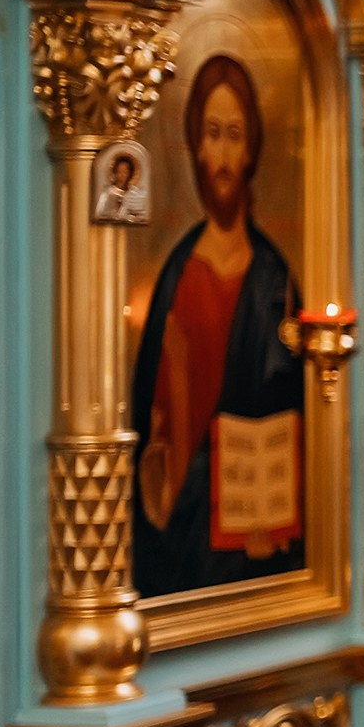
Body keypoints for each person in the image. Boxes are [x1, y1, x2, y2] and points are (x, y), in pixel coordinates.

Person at [131, 54, 305, 597]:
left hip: (259, 531)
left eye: (235, 135)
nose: (224, 156)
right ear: (195, 148)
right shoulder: (177, 277)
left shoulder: (276, 278)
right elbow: (151, 424)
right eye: (213, 135)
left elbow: (298, 413)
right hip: (188, 531)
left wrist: (281, 509)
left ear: (251, 149)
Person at [93, 150, 146, 225]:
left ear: (130, 173)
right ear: (114, 173)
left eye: (125, 172)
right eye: (119, 172)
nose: (122, 175)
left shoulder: (135, 193)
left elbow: (141, 214)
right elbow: (100, 214)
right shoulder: (108, 194)